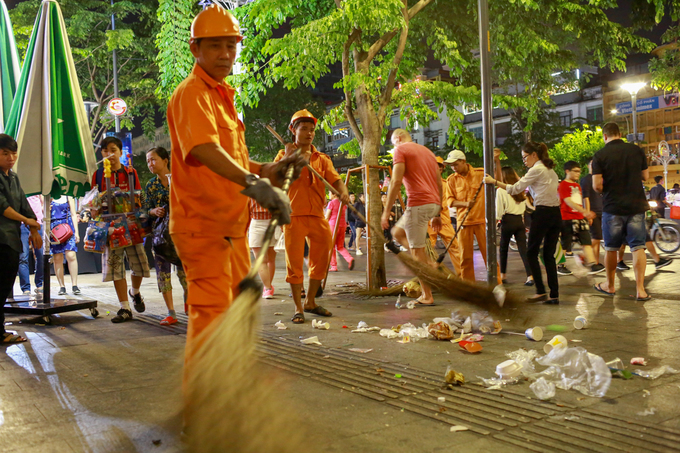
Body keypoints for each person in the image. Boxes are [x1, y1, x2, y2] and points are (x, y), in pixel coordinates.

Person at [168, 4, 299, 390]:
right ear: (195, 48)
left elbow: (231, 155)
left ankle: (230, 392)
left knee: (242, 307)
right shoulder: (192, 93)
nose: (226, 54)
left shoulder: (223, 95)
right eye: (215, 46)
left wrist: (264, 170)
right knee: (211, 316)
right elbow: (205, 150)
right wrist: (254, 184)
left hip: (230, 227)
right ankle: (205, 416)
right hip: (202, 228)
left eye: (231, 45)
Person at [275, 109, 348, 323]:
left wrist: (342, 192)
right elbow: (276, 176)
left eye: (312, 130)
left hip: (317, 216)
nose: (309, 133)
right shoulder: (283, 154)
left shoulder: (322, 159)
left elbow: (335, 181)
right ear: (293, 130)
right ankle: (298, 307)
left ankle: (311, 302)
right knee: (294, 264)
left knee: (322, 259)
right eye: (303, 129)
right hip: (293, 216)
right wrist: (289, 158)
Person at [485, 142, 561, 304]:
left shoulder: (536, 170)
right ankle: (554, 294)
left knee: (531, 252)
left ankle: (540, 291)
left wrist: (494, 181)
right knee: (548, 254)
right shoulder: (550, 170)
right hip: (555, 214)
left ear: (534, 155)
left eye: (525, 157)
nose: (524, 161)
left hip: (543, 213)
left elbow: (514, 189)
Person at [92, 136, 150, 322]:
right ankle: (124, 308)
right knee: (116, 266)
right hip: (110, 227)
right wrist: (94, 209)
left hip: (131, 225)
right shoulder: (98, 175)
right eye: (106, 151)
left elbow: (139, 198)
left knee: (139, 265)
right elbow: (93, 201)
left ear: (120, 152)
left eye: (113, 150)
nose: (110, 154)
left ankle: (135, 292)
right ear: (101, 153)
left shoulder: (131, 173)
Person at [382, 129, 442, 305]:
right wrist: (438, 211)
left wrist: (386, 212)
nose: (394, 148)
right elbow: (439, 182)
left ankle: (427, 295)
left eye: (393, 144)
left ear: (398, 139)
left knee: (417, 254)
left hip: (418, 204)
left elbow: (395, 181)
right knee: (397, 232)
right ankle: (428, 261)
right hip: (432, 204)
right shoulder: (429, 153)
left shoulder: (401, 150)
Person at [591, 122, 650, 300]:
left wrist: (606, 189)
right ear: (620, 133)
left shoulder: (600, 155)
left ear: (605, 136)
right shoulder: (636, 150)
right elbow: (645, 177)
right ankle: (640, 290)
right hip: (636, 206)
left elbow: (596, 185)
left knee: (611, 248)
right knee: (638, 247)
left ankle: (609, 286)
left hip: (612, 207)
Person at [0, 134, 42, 344]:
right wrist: (27, 220)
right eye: (5, 153)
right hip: (2, 238)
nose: (11, 157)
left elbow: (23, 203)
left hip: (13, 239)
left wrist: (33, 226)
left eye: (13, 153)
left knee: (6, 282)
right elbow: (4, 208)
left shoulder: (13, 177)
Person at [144, 147, 188, 325]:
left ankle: (189, 304)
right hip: (160, 237)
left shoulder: (180, 179)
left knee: (185, 273)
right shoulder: (150, 185)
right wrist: (153, 211)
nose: (150, 164)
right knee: (163, 274)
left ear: (165, 160)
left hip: (181, 233)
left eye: (153, 159)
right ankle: (171, 312)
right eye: (148, 161)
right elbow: (144, 209)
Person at [445, 149, 501, 284]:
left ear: (463, 161)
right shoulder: (451, 180)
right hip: (463, 223)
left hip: (482, 221)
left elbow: (498, 180)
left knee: (489, 255)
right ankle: (469, 287)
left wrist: (496, 161)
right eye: (451, 165)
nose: (453, 168)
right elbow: (450, 201)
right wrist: (465, 204)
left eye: (455, 164)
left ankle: (497, 284)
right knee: (465, 258)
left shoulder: (480, 173)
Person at [557, 161, 604, 276]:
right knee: (565, 244)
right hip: (567, 218)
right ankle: (560, 265)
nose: (578, 174)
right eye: (576, 171)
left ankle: (592, 264)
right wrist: (585, 212)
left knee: (586, 241)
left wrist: (584, 213)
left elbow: (581, 201)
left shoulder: (577, 186)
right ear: (567, 171)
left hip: (579, 217)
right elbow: (568, 201)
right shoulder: (563, 185)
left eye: (579, 171)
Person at [496, 166, 533, 286]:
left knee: (503, 248)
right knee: (523, 250)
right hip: (519, 221)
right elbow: (523, 207)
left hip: (507, 221)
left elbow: (499, 211)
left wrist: (496, 220)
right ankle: (530, 276)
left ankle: (503, 275)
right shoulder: (519, 189)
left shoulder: (501, 190)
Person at [427, 156, 461, 275]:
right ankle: (429, 277)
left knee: (455, 247)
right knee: (428, 249)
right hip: (428, 221)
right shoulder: (425, 183)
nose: (438, 168)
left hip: (444, 220)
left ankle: (463, 276)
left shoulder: (446, 184)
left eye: (440, 166)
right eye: (436, 165)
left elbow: (446, 202)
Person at [248, 198, 281, 299]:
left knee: (262, 260)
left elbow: (245, 210)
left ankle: (267, 288)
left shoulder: (249, 188)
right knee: (270, 260)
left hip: (257, 223)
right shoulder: (275, 186)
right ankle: (268, 288)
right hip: (273, 222)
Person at [50, 196, 81, 295]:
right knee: (57, 257)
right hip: (54, 228)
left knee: (71, 255)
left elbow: (73, 214)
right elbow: (43, 213)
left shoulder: (69, 196)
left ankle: (75, 284)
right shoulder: (49, 196)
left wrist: (76, 232)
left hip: (68, 227)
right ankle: (62, 286)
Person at [18, 195, 44, 296]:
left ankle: (39, 284)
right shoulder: (18, 184)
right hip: (22, 223)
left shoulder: (36, 184)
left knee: (41, 254)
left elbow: (42, 201)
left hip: (38, 223)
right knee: (23, 256)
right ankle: (26, 288)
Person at [580, 158, 603, 267]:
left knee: (597, 238)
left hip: (601, 211)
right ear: (588, 166)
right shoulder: (586, 180)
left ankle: (596, 262)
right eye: (592, 164)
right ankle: (584, 256)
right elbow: (586, 197)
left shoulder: (599, 179)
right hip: (593, 212)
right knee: (596, 236)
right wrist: (588, 213)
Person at [326, 192, 354, 272]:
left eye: (330, 193)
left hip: (333, 225)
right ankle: (349, 259)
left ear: (334, 194)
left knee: (330, 246)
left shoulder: (331, 203)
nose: (329, 195)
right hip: (342, 225)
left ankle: (334, 266)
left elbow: (327, 216)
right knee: (340, 246)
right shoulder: (343, 203)